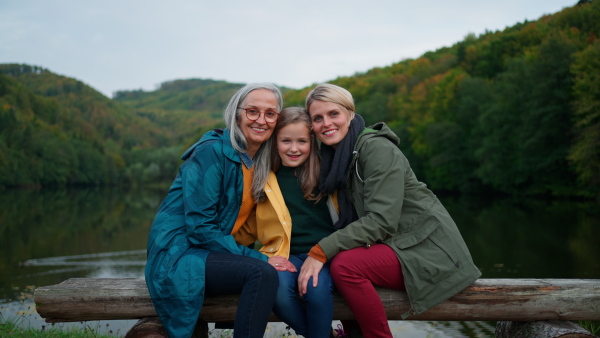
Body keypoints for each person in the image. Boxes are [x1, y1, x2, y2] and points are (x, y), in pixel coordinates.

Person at [298, 83, 482, 338]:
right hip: (399, 244)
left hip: (429, 250)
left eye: (333, 114)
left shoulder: (376, 149)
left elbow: (381, 221)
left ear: (350, 113)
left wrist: (320, 251)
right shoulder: (337, 158)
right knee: (334, 264)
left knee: (344, 266)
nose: (326, 123)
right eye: (317, 118)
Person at [145, 83, 295, 338]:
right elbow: (200, 229)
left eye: (270, 113)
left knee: (265, 273)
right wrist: (261, 258)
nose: (261, 120)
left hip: (204, 251)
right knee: (261, 272)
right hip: (178, 254)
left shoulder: (258, 161)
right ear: (237, 114)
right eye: (252, 111)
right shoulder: (211, 152)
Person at [235, 107, 339, 338]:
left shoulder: (326, 173)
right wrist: (225, 245)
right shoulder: (264, 178)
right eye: (286, 141)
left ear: (312, 142)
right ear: (274, 142)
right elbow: (249, 225)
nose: (294, 148)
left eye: (302, 141)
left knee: (315, 290)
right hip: (282, 255)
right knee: (278, 291)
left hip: (323, 254)